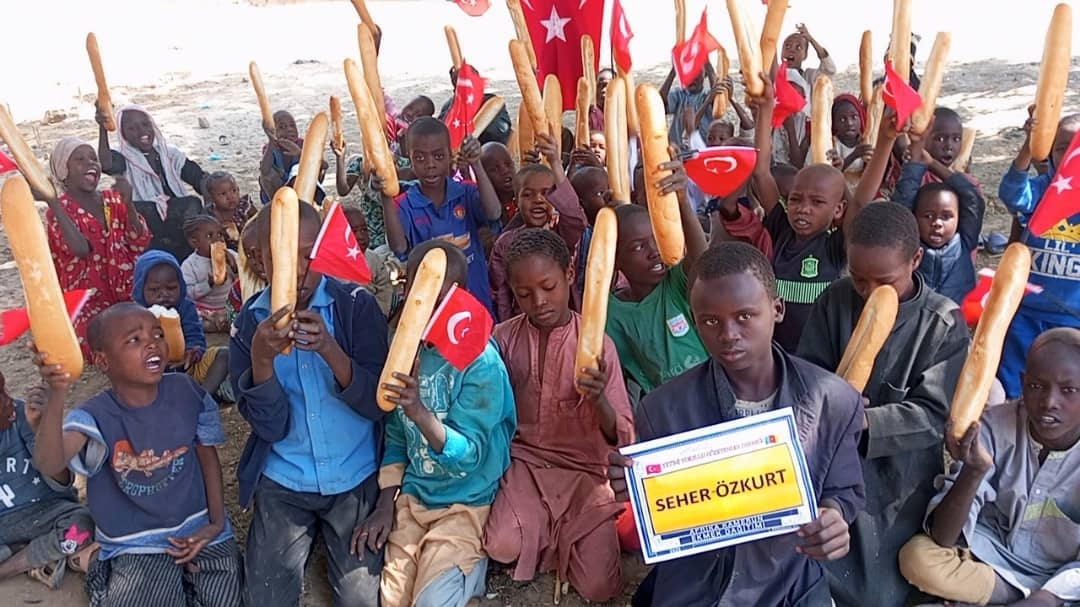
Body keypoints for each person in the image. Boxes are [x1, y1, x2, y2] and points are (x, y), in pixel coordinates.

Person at [609, 242, 865, 606]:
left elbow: (844, 487)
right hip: (700, 584)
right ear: (694, 321)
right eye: (710, 321)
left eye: (744, 316)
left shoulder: (833, 401)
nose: (728, 334)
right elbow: (670, 513)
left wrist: (834, 516)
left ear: (777, 309)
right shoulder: (663, 410)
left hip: (791, 578)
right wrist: (636, 486)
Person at [796, 201, 970, 607]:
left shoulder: (942, 322)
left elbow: (934, 415)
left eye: (885, 281)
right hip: (833, 460)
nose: (870, 291)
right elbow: (808, 373)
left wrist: (866, 421)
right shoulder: (835, 300)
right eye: (859, 279)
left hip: (900, 475)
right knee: (823, 562)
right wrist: (826, 399)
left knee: (880, 582)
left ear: (915, 260)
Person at [230, 200, 388, 606]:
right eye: (282, 258)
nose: (299, 270)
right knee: (265, 597)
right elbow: (270, 427)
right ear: (260, 261)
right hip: (286, 479)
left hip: (353, 474)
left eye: (308, 255)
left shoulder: (355, 306)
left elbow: (378, 404)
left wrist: (330, 350)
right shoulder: (249, 324)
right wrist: (261, 361)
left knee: (359, 598)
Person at [33, 303, 242, 606]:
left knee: (226, 598)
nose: (152, 343)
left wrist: (216, 523)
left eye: (157, 334)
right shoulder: (96, 415)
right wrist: (57, 393)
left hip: (196, 524)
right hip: (135, 540)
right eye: (134, 339)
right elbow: (50, 463)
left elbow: (207, 457)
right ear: (103, 361)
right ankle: (96, 564)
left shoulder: (186, 391)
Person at [356, 240, 516, 607]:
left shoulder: (481, 362)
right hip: (415, 499)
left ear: (460, 297)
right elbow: (397, 439)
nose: (427, 308)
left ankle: (470, 577)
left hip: (467, 501)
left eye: (439, 298)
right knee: (392, 600)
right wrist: (386, 503)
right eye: (419, 295)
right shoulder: (405, 350)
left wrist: (420, 413)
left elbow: (471, 454)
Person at [484, 229, 633, 601]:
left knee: (599, 587)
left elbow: (621, 434)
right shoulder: (502, 339)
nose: (539, 302)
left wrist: (599, 399)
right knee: (501, 545)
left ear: (568, 274)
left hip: (585, 473)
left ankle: (559, 535)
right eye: (524, 294)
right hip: (526, 465)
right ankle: (550, 533)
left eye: (548, 287)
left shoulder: (598, 346)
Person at [898, 327, 1080, 607]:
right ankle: (1014, 597)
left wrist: (1049, 597)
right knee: (917, 557)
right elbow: (943, 537)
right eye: (1036, 386)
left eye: (1068, 390)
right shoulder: (994, 426)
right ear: (1023, 383)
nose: (1049, 402)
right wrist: (973, 472)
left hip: (1064, 581)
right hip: (992, 563)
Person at [752, 75, 849, 352]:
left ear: (838, 209)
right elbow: (761, 172)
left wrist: (841, 178)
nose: (803, 208)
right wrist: (766, 109)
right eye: (795, 199)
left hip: (820, 360)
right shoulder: (781, 229)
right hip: (778, 356)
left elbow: (860, 203)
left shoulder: (835, 245)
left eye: (817, 202)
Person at [605, 158, 709, 397]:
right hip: (667, 405)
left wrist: (683, 202)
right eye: (638, 247)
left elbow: (702, 260)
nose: (654, 251)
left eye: (656, 238)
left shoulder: (675, 283)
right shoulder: (612, 312)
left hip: (711, 390)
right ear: (615, 260)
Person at [857, 110, 983, 304]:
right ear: (913, 217)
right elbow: (904, 199)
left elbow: (972, 198)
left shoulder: (965, 241)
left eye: (946, 216)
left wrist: (932, 163)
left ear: (959, 218)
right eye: (928, 216)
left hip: (955, 317)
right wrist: (915, 163)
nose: (937, 223)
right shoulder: (909, 245)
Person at [380, 118, 503, 314]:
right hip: (433, 307)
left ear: (449, 155)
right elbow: (399, 247)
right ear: (409, 158)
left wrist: (476, 164)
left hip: (476, 300)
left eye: (438, 156)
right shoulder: (404, 204)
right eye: (420, 158)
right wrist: (386, 197)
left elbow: (494, 212)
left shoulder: (465, 192)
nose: (430, 165)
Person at [997, 113, 1080, 399]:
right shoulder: (1043, 188)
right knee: (1014, 382)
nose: (1069, 156)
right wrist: (1029, 146)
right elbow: (1011, 193)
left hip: (1073, 316)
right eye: (1061, 147)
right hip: (1028, 310)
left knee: (1068, 385)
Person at [45, 136, 151, 360]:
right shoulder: (59, 211)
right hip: (87, 299)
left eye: (93, 158)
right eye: (80, 159)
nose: (90, 163)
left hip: (125, 289)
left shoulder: (112, 200)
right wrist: (52, 202)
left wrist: (129, 203)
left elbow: (139, 240)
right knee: (93, 339)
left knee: (150, 320)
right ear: (63, 170)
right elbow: (80, 249)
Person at [0, 373, 95, 587]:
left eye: (4, 390)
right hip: (4, 525)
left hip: (47, 510)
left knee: (83, 523)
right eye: (0, 397)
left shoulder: (23, 416)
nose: (9, 399)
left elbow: (62, 482)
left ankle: (10, 566)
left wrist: (39, 428)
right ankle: (35, 551)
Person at [489, 134, 587, 322]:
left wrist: (555, 163)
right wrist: (507, 327)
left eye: (546, 193)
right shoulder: (505, 243)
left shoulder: (561, 233)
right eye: (528, 194)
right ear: (516, 201)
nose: (538, 200)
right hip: (523, 324)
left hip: (563, 321)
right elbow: (500, 293)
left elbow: (575, 218)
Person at [98, 105, 206, 261]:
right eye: (132, 128)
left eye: (145, 124)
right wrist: (103, 129)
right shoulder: (123, 157)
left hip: (177, 223)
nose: (142, 131)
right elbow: (106, 164)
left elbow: (198, 177)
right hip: (146, 227)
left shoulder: (170, 154)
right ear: (123, 134)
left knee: (193, 204)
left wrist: (210, 194)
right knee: (143, 210)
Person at [133, 249, 232, 403]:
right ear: (141, 289)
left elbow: (196, 336)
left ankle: (202, 397)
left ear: (181, 286)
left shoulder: (186, 307)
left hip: (188, 367)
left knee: (224, 355)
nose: (164, 294)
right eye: (154, 290)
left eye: (171, 288)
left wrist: (193, 352)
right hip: (153, 370)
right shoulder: (136, 315)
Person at [180, 215, 238, 333]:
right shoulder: (190, 264)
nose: (217, 239)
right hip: (204, 309)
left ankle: (225, 323)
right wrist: (208, 284)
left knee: (240, 317)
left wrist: (235, 268)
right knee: (198, 322)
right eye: (209, 236)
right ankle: (219, 324)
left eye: (220, 234)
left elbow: (243, 282)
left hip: (227, 306)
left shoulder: (231, 255)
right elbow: (188, 293)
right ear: (195, 243)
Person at [343, 206, 394, 318]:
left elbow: (385, 288)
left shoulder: (374, 259)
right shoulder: (332, 263)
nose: (360, 236)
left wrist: (377, 312)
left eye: (364, 230)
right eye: (353, 231)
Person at [659, 62, 719, 144]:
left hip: (702, 147)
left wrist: (708, 65)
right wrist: (673, 72)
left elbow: (717, 91)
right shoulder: (679, 94)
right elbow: (659, 104)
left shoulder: (709, 96)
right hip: (679, 148)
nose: (692, 78)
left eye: (697, 73)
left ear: (705, 74)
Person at [258, 109, 303, 203]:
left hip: (299, 189)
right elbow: (264, 172)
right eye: (282, 127)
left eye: (292, 125)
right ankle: (275, 204)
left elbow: (323, 165)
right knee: (266, 173)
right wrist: (272, 142)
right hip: (277, 190)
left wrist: (300, 153)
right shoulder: (271, 148)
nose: (289, 129)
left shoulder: (303, 144)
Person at [202, 171, 255, 249]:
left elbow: (259, 221)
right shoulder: (209, 215)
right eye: (223, 194)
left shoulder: (245, 206)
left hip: (249, 247)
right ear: (212, 197)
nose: (230, 197)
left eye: (234, 191)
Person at [831, 94, 872, 190]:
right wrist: (854, 155)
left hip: (863, 189)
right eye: (842, 119)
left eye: (854, 117)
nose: (849, 123)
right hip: (840, 189)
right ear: (834, 123)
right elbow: (832, 173)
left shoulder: (865, 141)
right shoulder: (833, 144)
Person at [781, 24, 837, 90]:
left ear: (805, 55)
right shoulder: (773, 72)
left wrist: (810, 39)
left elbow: (829, 70)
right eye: (788, 46)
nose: (792, 50)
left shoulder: (809, 77)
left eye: (798, 47)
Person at [480, 141, 519, 222]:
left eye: (508, 164)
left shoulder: (524, 199)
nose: (505, 171)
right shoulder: (482, 208)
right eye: (495, 169)